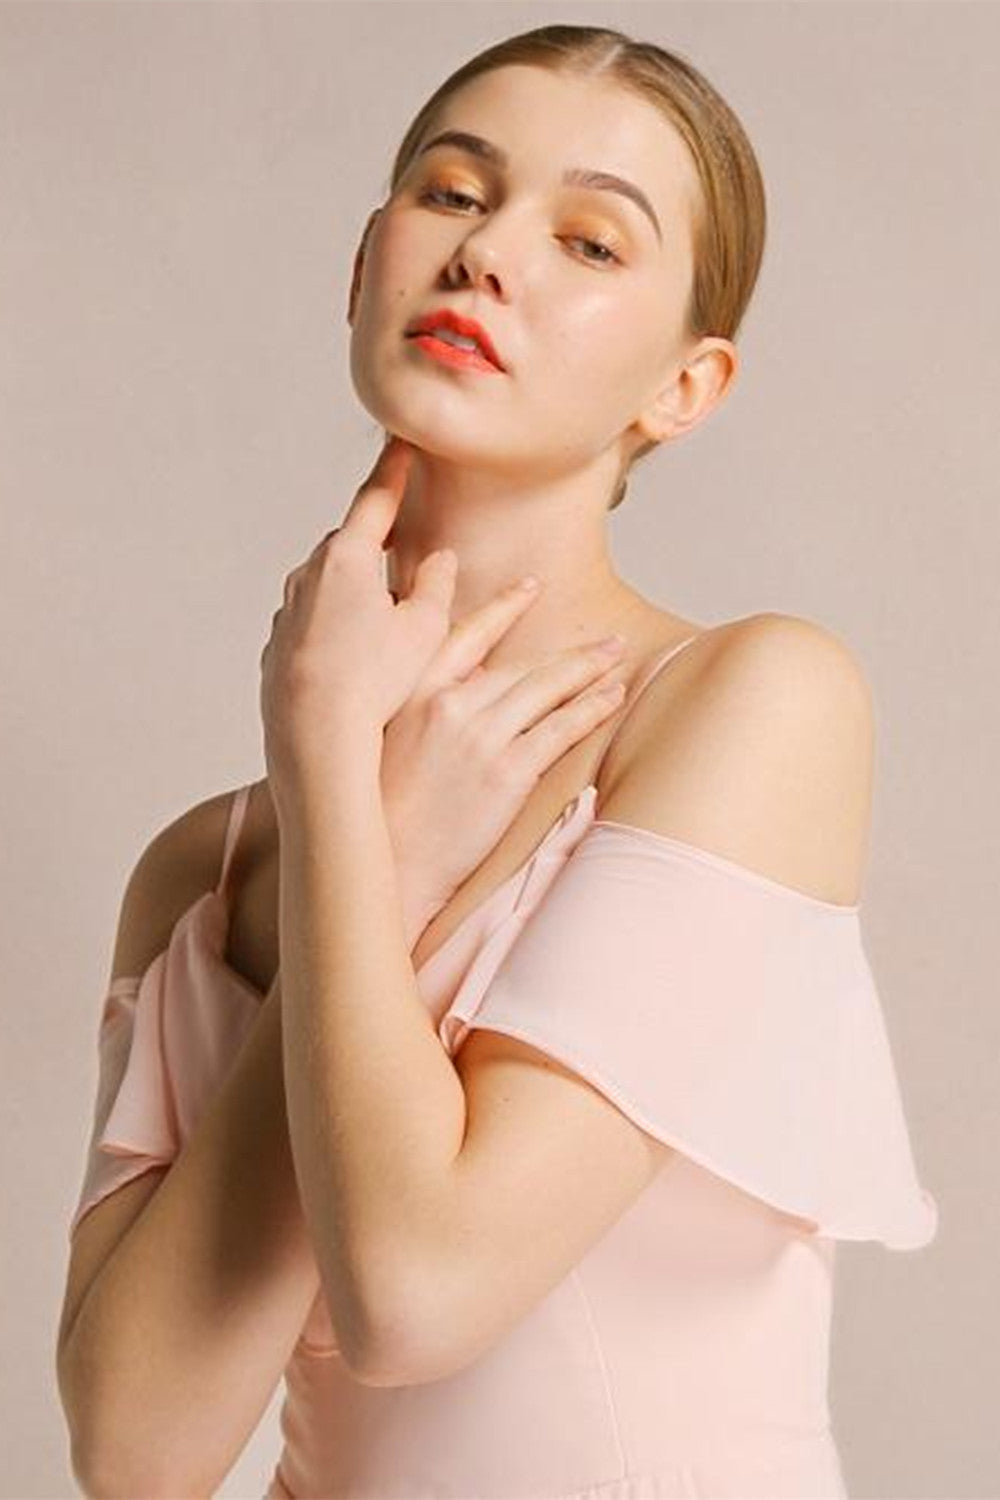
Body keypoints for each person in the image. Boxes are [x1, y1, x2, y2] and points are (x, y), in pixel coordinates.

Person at [57, 23, 938, 1499]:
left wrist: (349, 811)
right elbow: (138, 1456)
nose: (486, 254)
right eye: (454, 194)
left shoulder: (752, 703)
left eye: (589, 241)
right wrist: (349, 804)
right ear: (364, 266)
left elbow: (420, 1293)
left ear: (686, 386)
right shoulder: (204, 869)